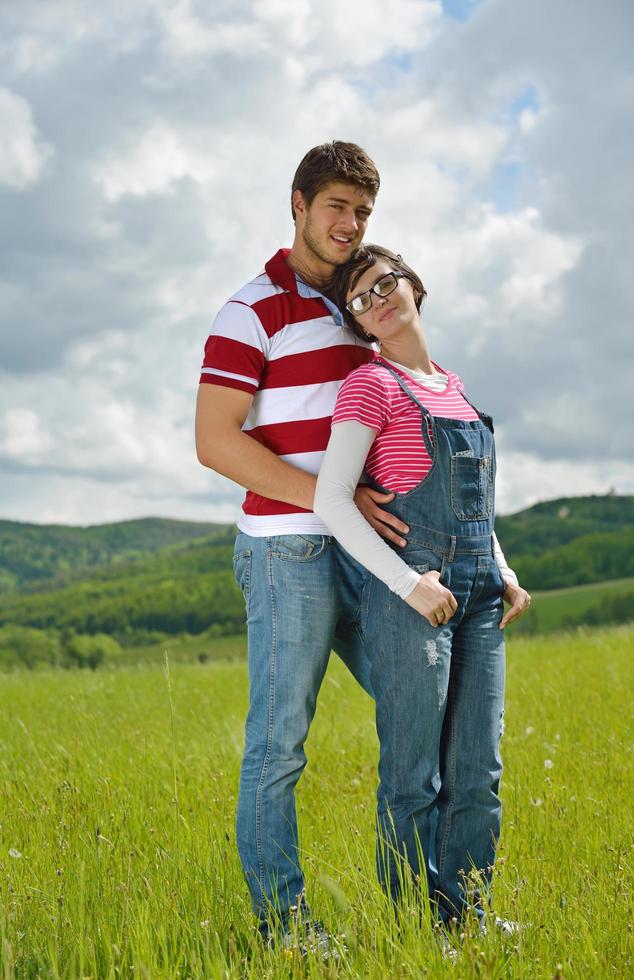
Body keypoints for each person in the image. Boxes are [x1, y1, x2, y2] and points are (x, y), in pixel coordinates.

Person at [195, 143, 412, 947]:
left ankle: (428, 904)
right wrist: (334, 497)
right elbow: (216, 443)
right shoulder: (251, 309)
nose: (349, 225)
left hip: (370, 551)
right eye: (336, 207)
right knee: (280, 743)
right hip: (289, 549)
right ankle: (283, 926)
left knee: (423, 713)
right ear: (298, 203)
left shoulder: (360, 309)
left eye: (361, 212)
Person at [314, 244, 531, 938]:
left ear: (413, 286)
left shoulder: (456, 386)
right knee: (413, 775)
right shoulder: (370, 386)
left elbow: (478, 503)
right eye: (361, 299)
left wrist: (503, 568)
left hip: (477, 591)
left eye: (384, 284)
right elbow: (332, 500)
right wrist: (406, 585)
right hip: (413, 592)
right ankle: (411, 927)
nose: (377, 299)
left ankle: (465, 919)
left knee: (478, 770)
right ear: (360, 324)